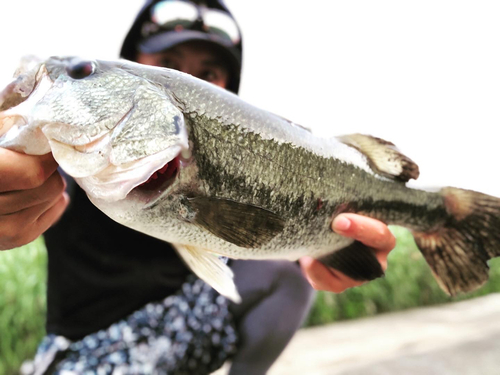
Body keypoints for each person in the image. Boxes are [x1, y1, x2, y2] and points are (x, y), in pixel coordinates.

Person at [1, 1, 396, 374]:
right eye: (170, 65)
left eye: (207, 75)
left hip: (179, 333)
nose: (187, 79)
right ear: (133, 66)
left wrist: (316, 251)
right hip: (85, 355)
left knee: (286, 279)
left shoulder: (233, 169)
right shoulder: (62, 165)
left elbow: (250, 235)